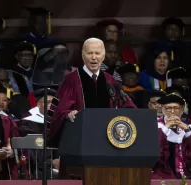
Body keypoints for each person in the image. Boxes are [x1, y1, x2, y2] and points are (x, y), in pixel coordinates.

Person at [50, 38, 136, 179]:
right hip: (79, 144)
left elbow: (129, 107)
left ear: (103, 55)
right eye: (90, 53)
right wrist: (67, 114)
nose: (94, 57)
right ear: (83, 56)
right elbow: (58, 111)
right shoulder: (70, 80)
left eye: (97, 53)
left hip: (109, 143)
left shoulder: (110, 81)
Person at [152, 93, 191, 179]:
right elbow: (151, 153)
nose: (172, 112)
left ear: (182, 110)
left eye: (176, 108)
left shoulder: (189, 128)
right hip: (163, 174)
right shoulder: (155, 126)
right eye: (168, 108)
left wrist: (188, 131)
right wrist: (165, 129)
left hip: (187, 174)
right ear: (162, 110)